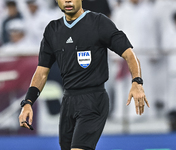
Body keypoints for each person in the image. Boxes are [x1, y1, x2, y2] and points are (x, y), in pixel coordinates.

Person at [19, 0, 150, 150]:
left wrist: (137, 82)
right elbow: (41, 72)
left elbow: (129, 54)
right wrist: (28, 102)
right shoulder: (52, 30)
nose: (67, 1)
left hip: (94, 99)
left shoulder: (99, 22)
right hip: (68, 101)